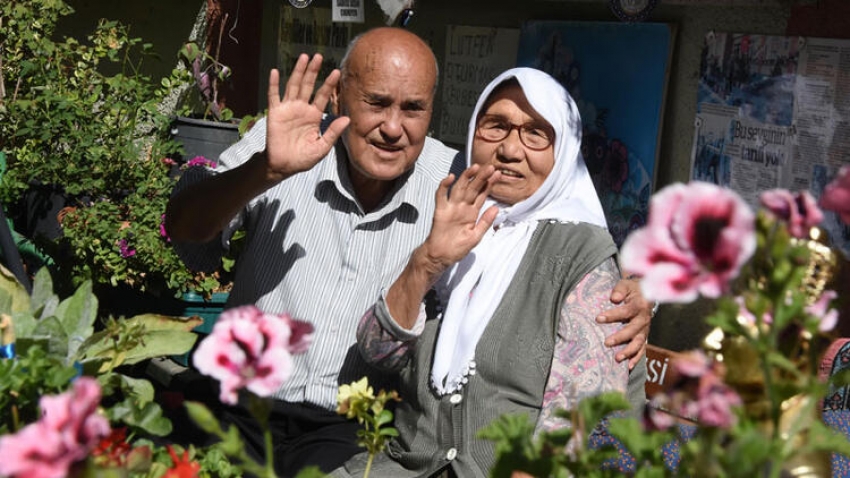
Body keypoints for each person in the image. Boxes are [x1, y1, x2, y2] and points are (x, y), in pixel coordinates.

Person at [165, 27, 651, 477]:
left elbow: (543, 230)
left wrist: (630, 291)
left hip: (352, 433)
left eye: (413, 108)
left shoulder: (457, 185)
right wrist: (265, 172)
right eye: (376, 103)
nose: (393, 128)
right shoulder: (283, 150)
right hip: (240, 406)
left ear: (433, 111)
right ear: (338, 98)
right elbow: (185, 231)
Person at [333, 66, 635, 478]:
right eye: (496, 127)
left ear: (563, 149)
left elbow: (583, 416)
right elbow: (377, 353)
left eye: (535, 133)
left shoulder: (581, 254)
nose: (511, 150)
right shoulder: (447, 211)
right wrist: (429, 261)